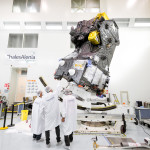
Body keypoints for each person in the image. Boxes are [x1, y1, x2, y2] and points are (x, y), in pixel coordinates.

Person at [40, 83, 63, 148]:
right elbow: (59, 88)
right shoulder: (54, 94)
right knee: (57, 126)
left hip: (48, 115)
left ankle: (47, 143)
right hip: (55, 115)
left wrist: (43, 116)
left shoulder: (43, 98)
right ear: (50, 90)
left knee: (47, 128)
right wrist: (58, 82)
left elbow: (41, 109)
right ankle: (58, 140)